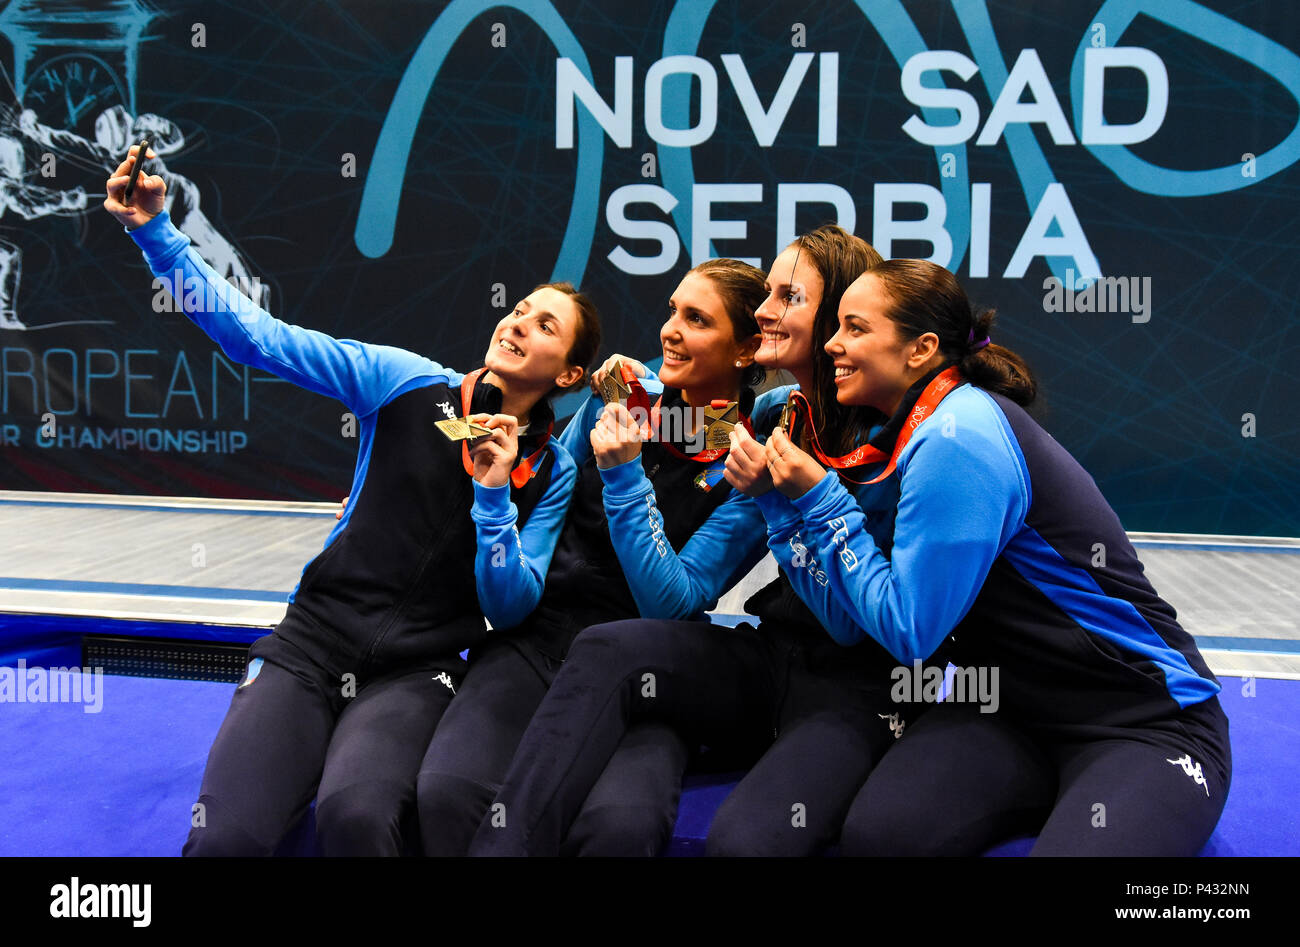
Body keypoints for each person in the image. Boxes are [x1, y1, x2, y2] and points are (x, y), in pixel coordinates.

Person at [102, 145, 600, 856]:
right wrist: (157, 233)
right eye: (519, 310)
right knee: (224, 840)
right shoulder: (405, 383)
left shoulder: (551, 470)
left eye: (545, 325)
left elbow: (511, 606)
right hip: (309, 645)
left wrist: (493, 495)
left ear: (570, 374)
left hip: (416, 672)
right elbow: (259, 339)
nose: (517, 323)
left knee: (359, 819)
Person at [468, 225, 934, 858]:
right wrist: (637, 389)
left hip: (836, 680)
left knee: (681, 833)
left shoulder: (862, 438)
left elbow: (838, 622)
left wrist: (773, 499)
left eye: (787, 299)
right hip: (728, 652)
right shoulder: (759, 413)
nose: (767, 311)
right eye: (673, 312)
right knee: (589, 665)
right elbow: (696, 427)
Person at [760, 258, 1230, 856]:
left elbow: (909, 632)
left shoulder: (959, 434)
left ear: (921, 349)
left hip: (1142, 720)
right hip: (1009, 712)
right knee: (882, 838)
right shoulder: (910, 427)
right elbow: (860, 618)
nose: (831, 343)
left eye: (855, 328)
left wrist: (820, 500)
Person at [417, 258, 785, 856]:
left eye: (697, 320)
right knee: (447, 793)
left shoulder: (748, 465)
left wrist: (624, 478)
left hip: (645, 667)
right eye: (673, 311)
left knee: (620, 827)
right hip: (534, 645)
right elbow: (541, 494)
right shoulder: (624, 394)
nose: (670, 330)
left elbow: (672, 605)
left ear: (746, 350)